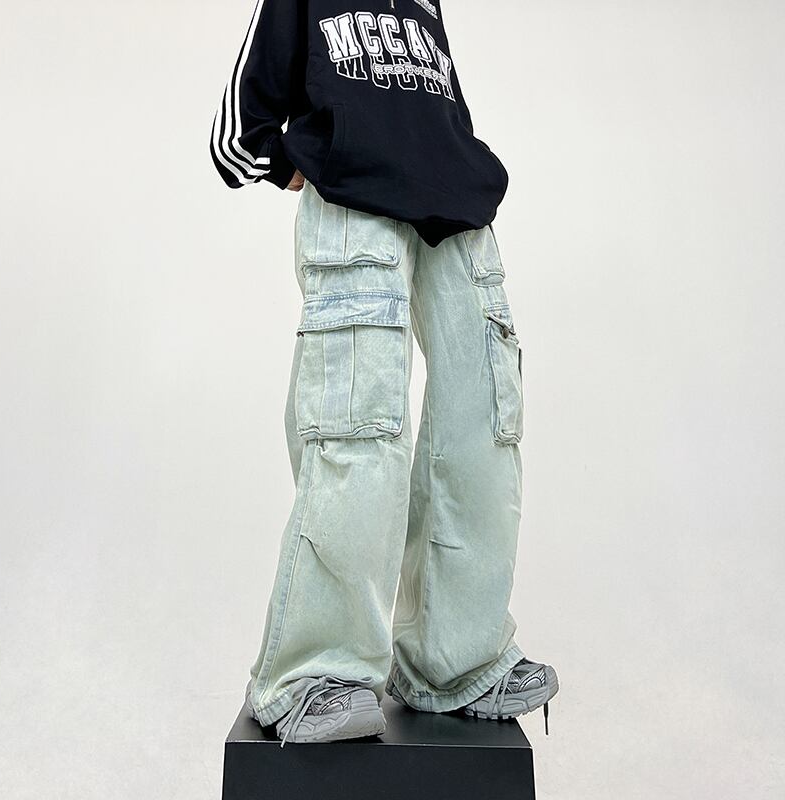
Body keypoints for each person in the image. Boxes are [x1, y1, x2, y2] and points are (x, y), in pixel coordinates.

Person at [210, 0, 559, 746]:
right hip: (355, 202)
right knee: (359, 430)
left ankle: (456, 660)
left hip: (457, 214)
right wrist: (298, 163)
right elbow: (235, 131)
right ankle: (314, 671)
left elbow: (430, 108)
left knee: (484, 429)